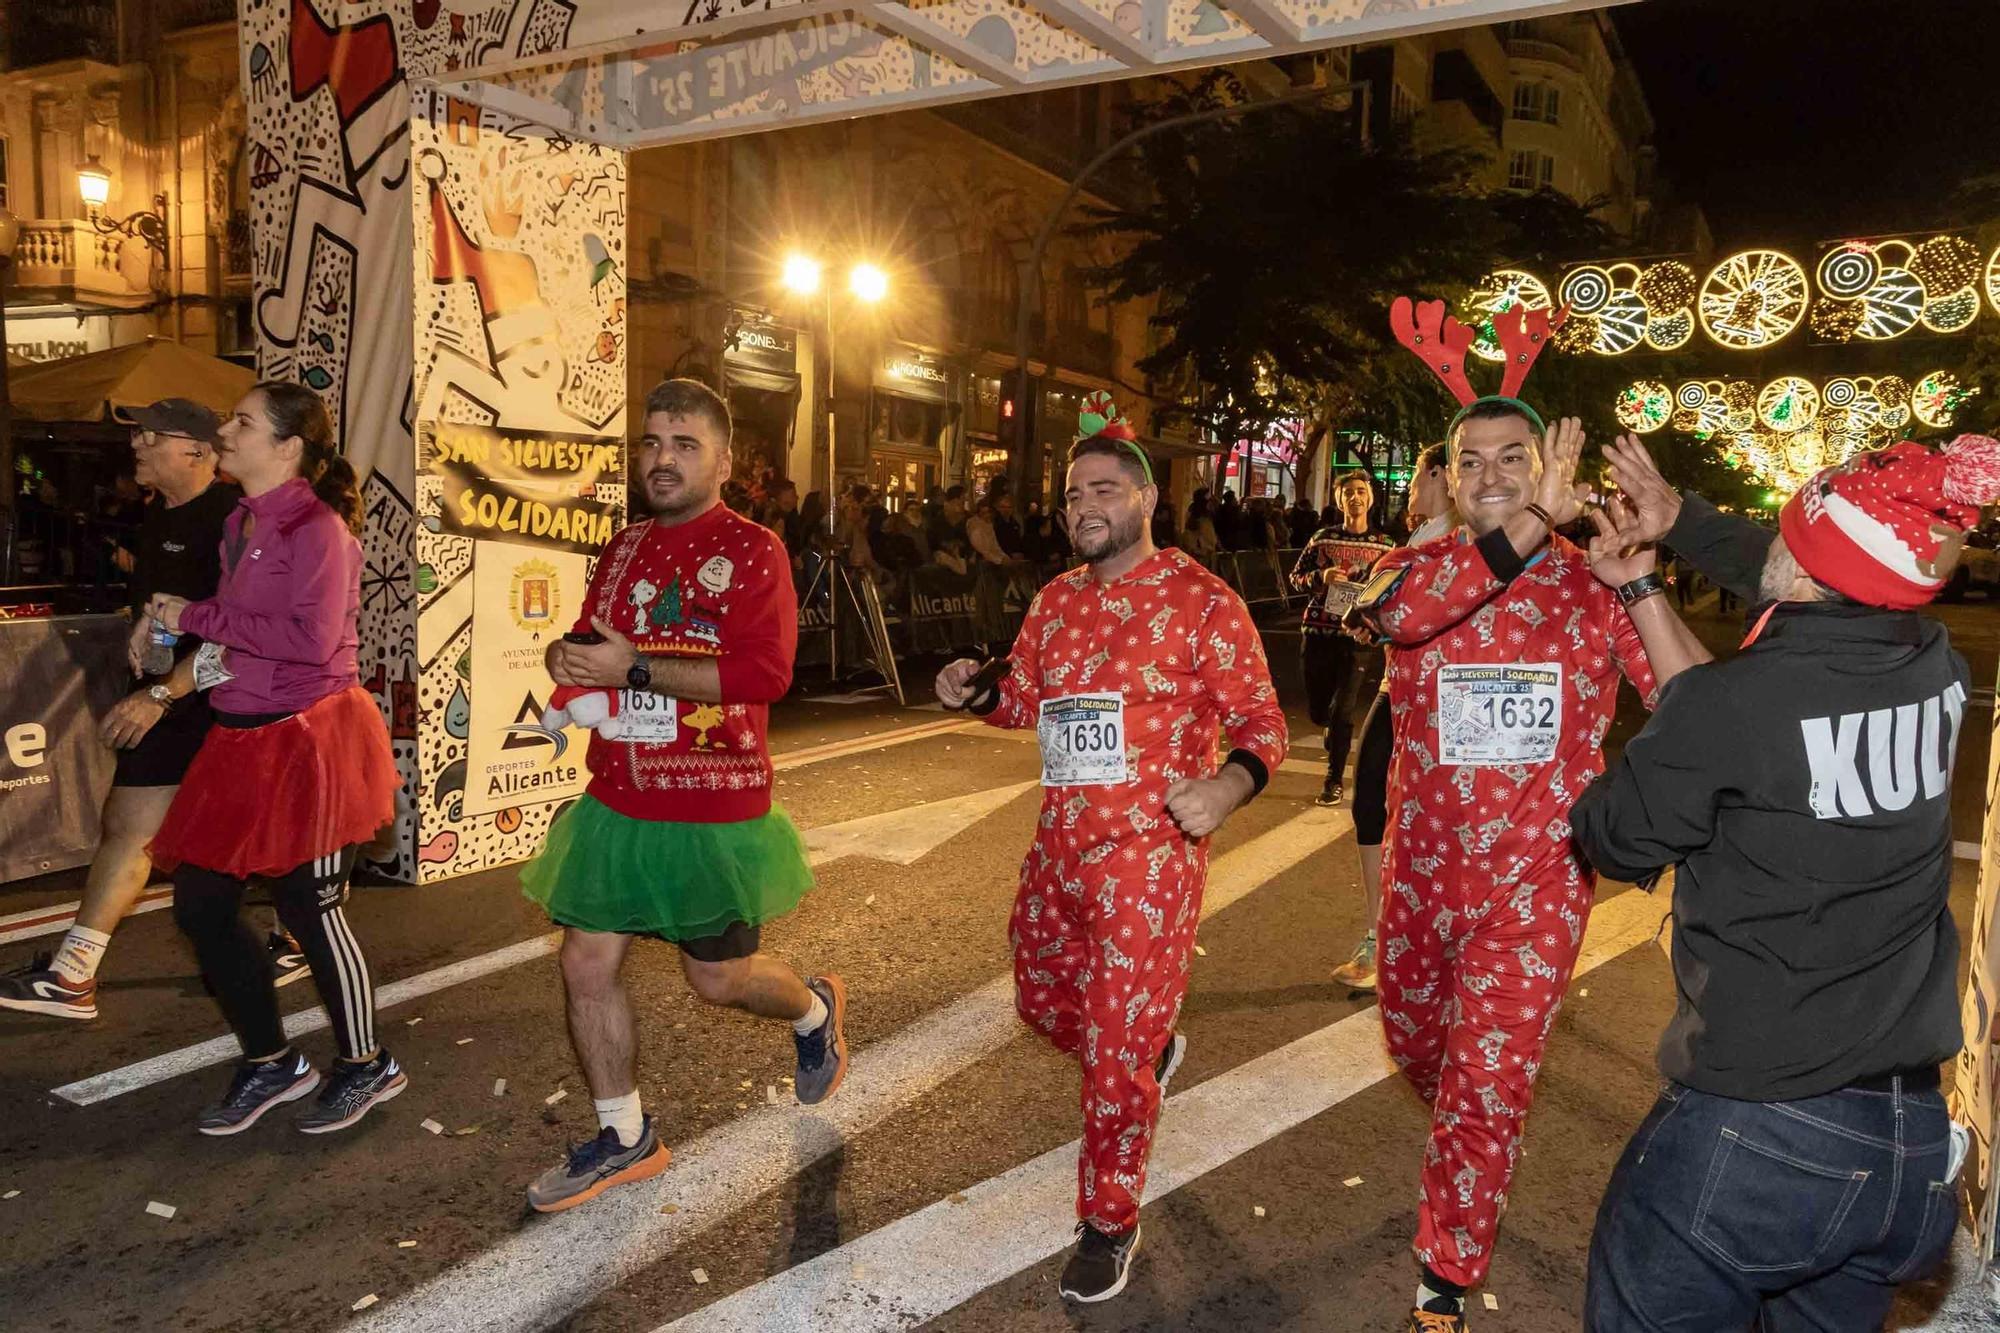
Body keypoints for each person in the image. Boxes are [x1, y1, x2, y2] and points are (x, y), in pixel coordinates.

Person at [1569, 432, 2000, 1332]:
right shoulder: (1936, 668)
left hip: (1762, 1132)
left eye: (1787, 537)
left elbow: (1618, 834)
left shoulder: (1739, 706)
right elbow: (1759, 726)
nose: (1767, 545)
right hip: (1906, 1139)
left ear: (1806, 574)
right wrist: (1671, 536)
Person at [1362, 298, 1711, 1331]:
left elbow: (1688, 701)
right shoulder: (1405, 571)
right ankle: (1459, 1117)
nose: (1490, 477)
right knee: (1419, 1047)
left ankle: (1443, 1275)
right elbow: (1397, 621)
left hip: (1536, 886)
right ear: (1444, 477)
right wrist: (1524, 528)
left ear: (1544, 465)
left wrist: (1639, 579)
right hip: (1419, 882)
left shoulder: (1588, 582)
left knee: (1489, 1082)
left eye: (1512, 459)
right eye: (1468, 462)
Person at [935, 395, 1286, 1304]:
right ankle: (1147, 1046)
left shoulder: (1205, 602)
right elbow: (1025, 703)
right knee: (1044, 1004)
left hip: (1149, 860)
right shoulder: (1054, 601)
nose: (1080, 506)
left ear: (1143, 500)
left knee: (1113, 1051)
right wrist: (977, 691)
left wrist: (1225, 786)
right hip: (1058, 852)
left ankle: (1108, 1218)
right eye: (1068, 495)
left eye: (1100, 489)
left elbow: (1262, 724)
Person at [518, 378, 848, 1213]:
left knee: (719, 981)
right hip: (620, 798)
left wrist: (631, 667)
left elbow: (765, 673)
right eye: (653, 442)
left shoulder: (752, 550)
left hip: (711, 805)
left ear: (726, 460)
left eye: (685, 443)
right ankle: (625, 1136)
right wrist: (572, 658)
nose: (662, 458)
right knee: (583, 962)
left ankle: (813, 1010)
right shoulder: (623, 546)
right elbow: (596, 642)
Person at [142, 382, 403, 1135]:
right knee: (201, 904)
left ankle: (366, 1064)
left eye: (241, 422)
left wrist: (188, 615)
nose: (225, 429)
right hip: (241, 737)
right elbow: (239, 638)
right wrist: (173, 670)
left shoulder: (317, 529)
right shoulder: (243, 523)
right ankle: (271, 1061)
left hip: (312, 739)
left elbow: (309, 641)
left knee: (309, 907)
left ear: (286, 448)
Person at [0, 401, 249, 1020]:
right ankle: (74, 973)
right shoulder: (156, 515)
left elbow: (246, 633)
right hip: (174, 703)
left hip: (225, 703)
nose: (135, 445)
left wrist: (161, 695)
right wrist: (147, 638)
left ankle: (302, 939)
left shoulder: (233, 521)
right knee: (135, 828)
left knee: (251, 837)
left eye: (149, 435)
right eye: (135, 433)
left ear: (196, 451)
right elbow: (165, 610)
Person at [1333, 443, 1452, 992]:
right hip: (1395, 685)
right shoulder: (1415, 542)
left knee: (1443, 818)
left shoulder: (1480, 541)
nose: (1409, 488)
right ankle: (1381, 931)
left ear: (1442, 476)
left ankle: (1449, 938)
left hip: (1451, 700)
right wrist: (1373, 621)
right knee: (1368, 799)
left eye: (1419, 477)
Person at [1288, 471, 1398, 807]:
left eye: (1361, 492)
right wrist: (1321, 577)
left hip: (1356, 640)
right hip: (1318, 634)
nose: (1355, 498)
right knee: (1321, 710)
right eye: (1348, 492)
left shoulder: (1386, 546)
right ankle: (1326, 729)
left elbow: (1392, 591)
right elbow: (1295, 577)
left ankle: (1333, 779)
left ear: (1370, 498)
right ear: (1339, 500)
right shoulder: (1322, 539)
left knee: (1343, 713)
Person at [1181, 488, 1220, 562]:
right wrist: (1199, 549)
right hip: (1201, 554)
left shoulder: (1207, 516)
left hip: (1208, 553)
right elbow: (1192, 536)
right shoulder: (1196, 516)